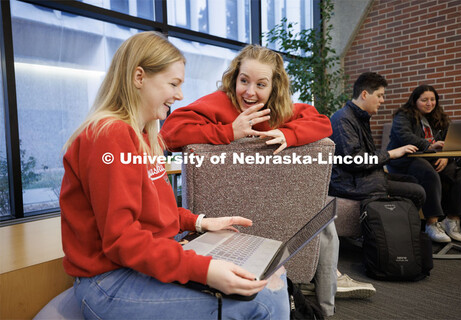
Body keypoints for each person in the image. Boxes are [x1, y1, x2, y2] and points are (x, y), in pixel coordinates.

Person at [59, 31, 289, 320]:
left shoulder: (142, 135)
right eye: (173, 84)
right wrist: (205, 270)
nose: (180, 95)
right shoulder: (109, 136)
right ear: (139, 77)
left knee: (273, 271)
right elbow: (122, 240)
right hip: (108, 283)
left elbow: (153, 211)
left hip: (136, 265)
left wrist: (200, 222)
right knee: (262, 303)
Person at [161, 44, 371, 316]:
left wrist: (290, 135)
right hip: (232, 219)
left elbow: (323, 123)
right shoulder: (219, 103)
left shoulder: (281, 110)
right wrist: (229, 131)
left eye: (261, 84)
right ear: (234, 78)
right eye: (244, 80)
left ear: (274, 86)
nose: (249, 92)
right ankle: (329, 288)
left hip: (276, 211)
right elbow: (169, 133)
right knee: (324, 217)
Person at [329, 72, 426, 209]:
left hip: (359, 178)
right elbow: (354, 160)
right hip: (350, 184)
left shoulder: (358, 117)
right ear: (364, 94)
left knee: (413, 180)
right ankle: (398, 227)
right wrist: (390, 154)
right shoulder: (343, 119)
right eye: (379, 95)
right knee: (418, 192)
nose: (382, 100)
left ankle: (403, 225)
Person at [387, 84, 461, 243]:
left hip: (431, 157)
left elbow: (448, 139)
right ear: (415, 101)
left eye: (432, 99)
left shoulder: (439, 117)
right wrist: (428, 146)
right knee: (429, 173)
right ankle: (431, 223)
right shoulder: (403, 115)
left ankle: (452, 219)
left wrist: (446, 156)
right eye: (424, 100)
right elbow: (405, 136)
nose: (429, 103)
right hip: (405, 158)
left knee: (458, 173)